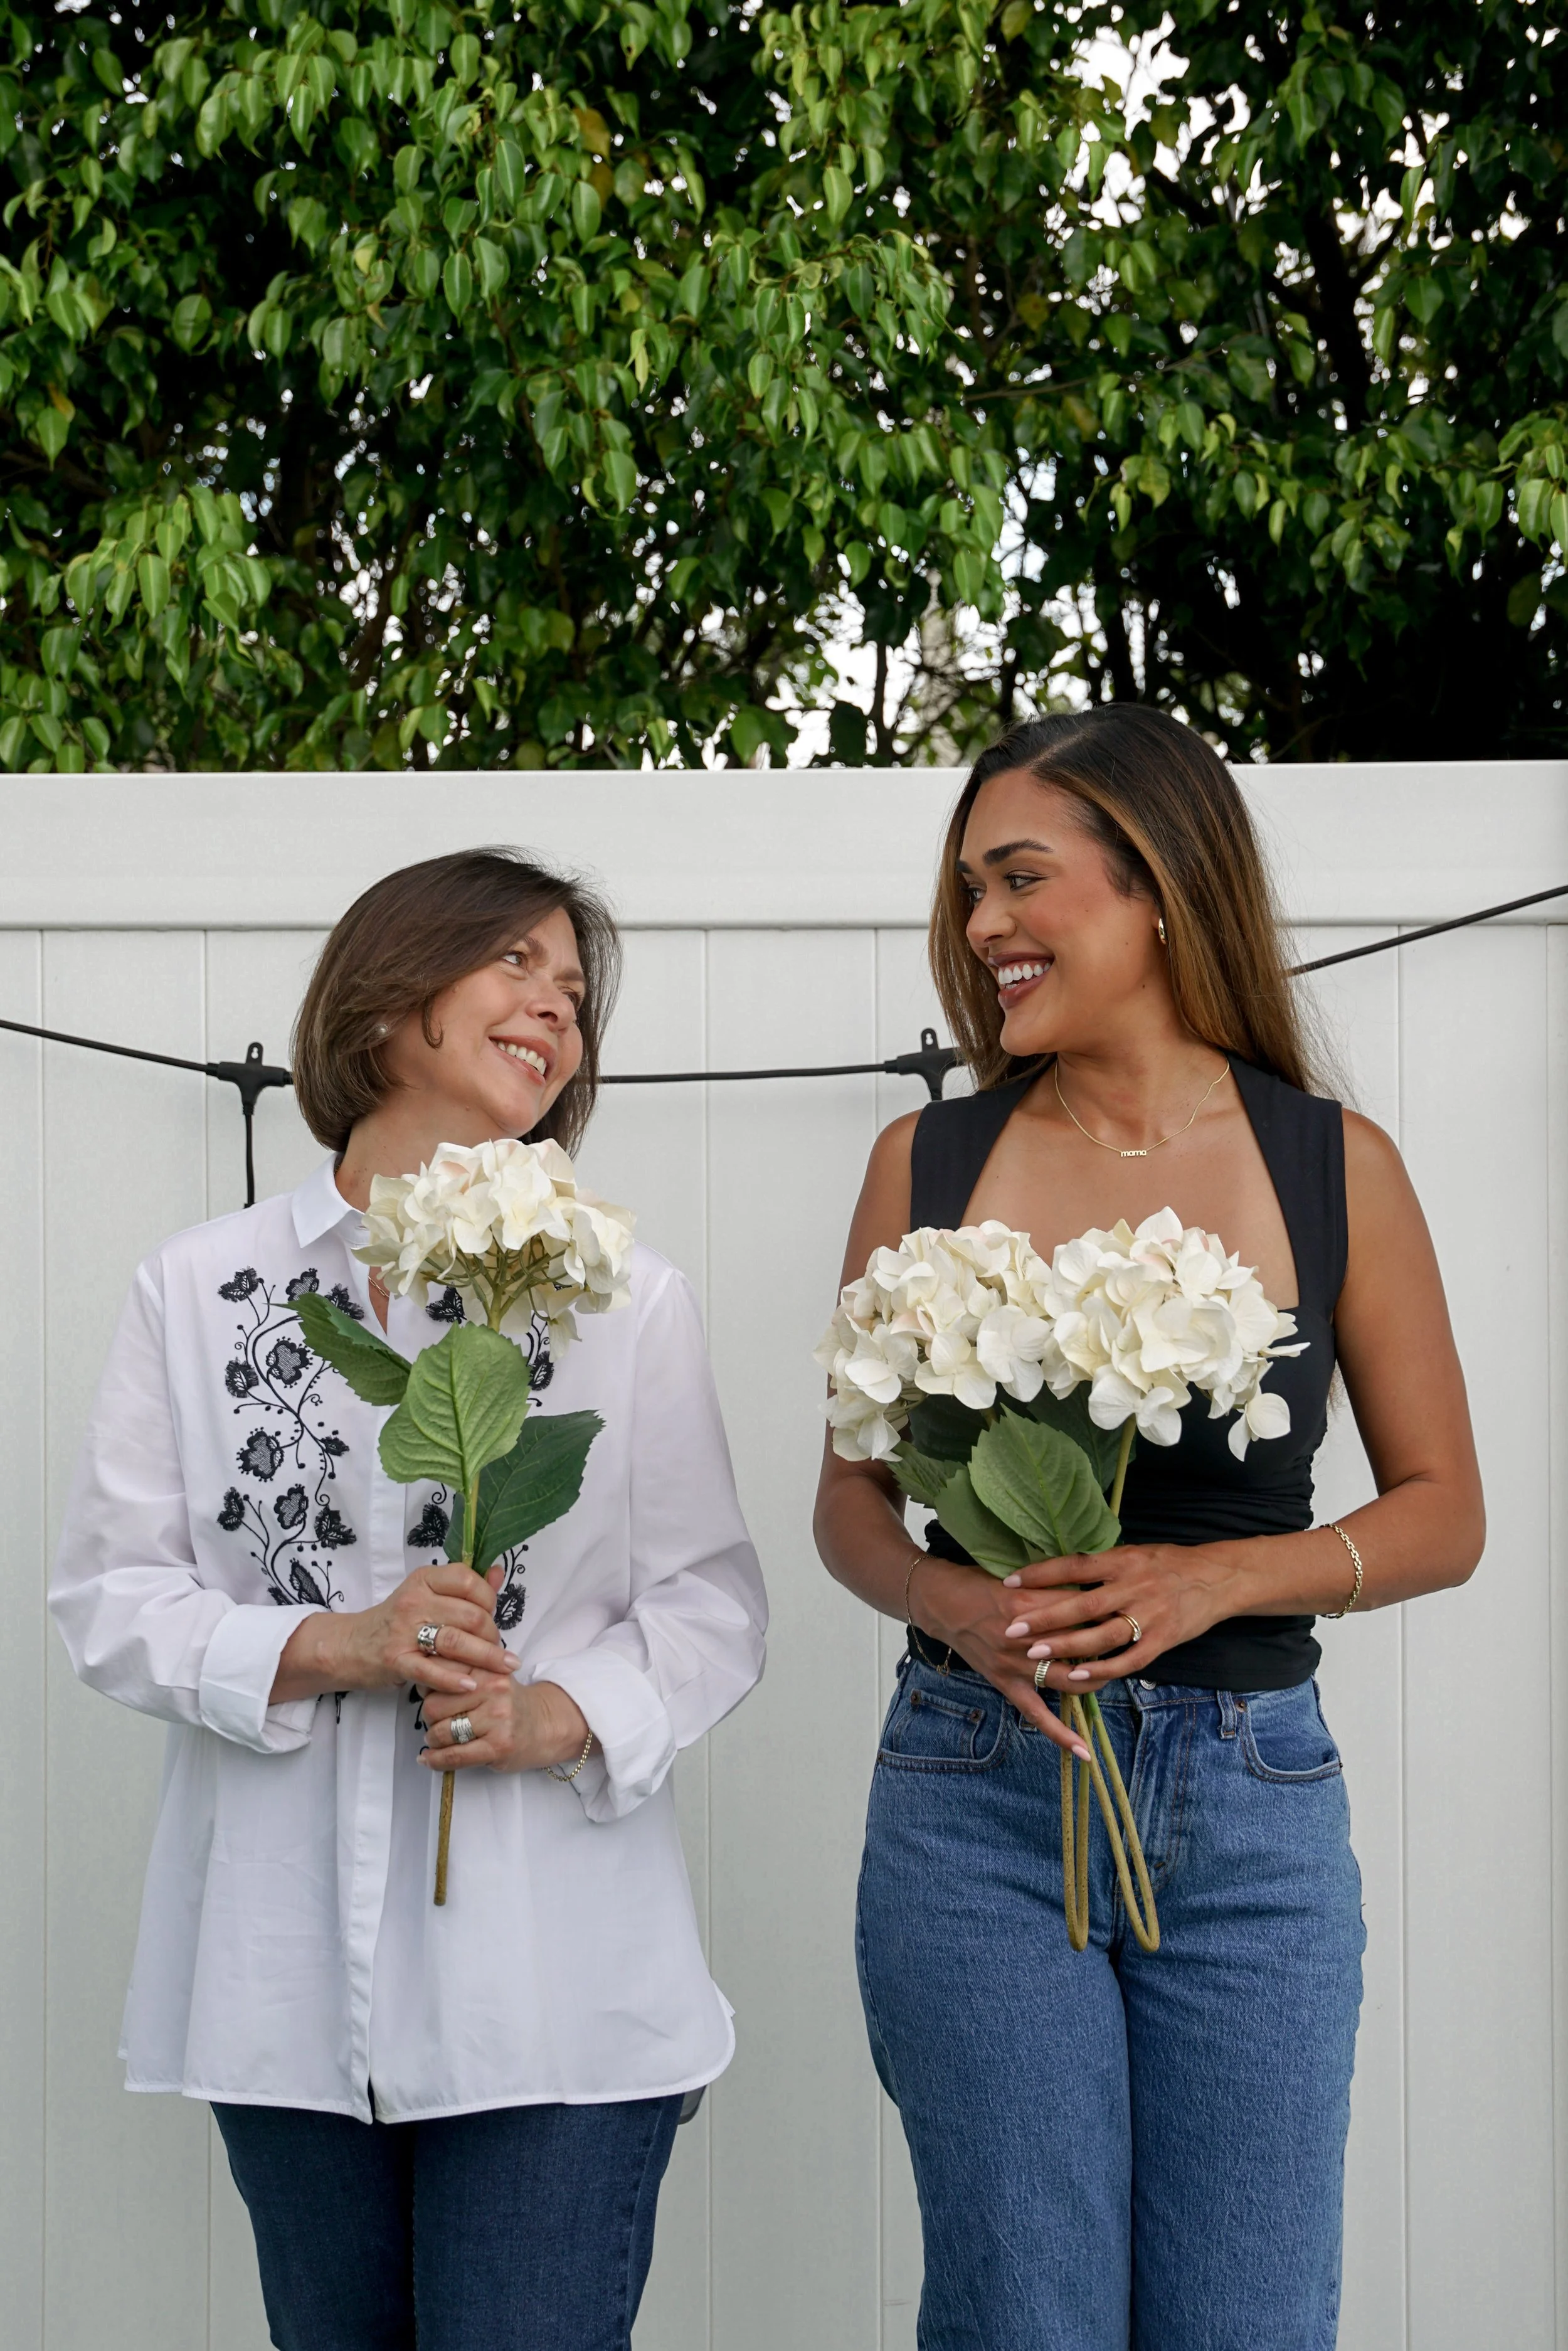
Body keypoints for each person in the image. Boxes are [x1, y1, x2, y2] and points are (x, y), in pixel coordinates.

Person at [813, 709, 1484, 2351]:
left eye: (1020, 879)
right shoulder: (929, 1158)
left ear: (1162, 886)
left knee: (1242, 2319)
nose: (980, 929)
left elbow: (1441, 1514)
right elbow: (848, 1501)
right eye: (968, 889)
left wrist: (1214, 1578)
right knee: (1023, 2313)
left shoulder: (1334, 1166)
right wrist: (950, 1603)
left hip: (1253, 1812)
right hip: (978, 1788)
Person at [51, 847, 766, 2351]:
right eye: (517, 963)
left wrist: (555, 1712)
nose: (554, 1007)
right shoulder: (200, 1289)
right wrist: (337, 1644)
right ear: (388, 998)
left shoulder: (619, 1299)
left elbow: (709, 1604)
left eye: (572, 990)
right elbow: (110, 1596)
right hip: (279, 1989)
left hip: (558, 1994)